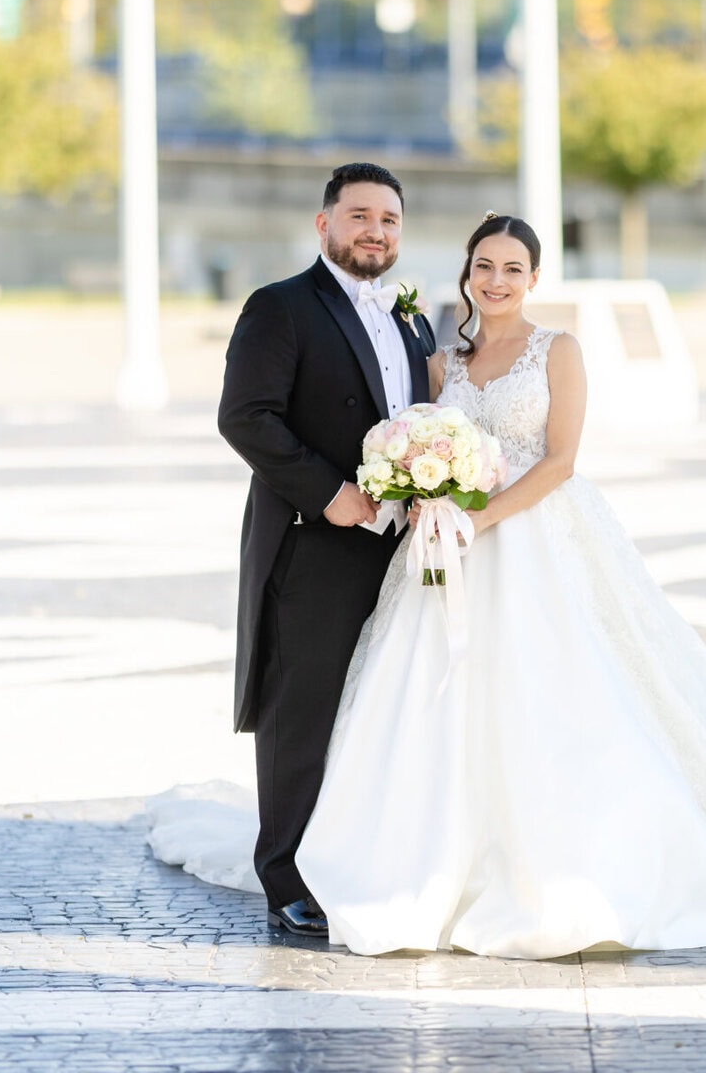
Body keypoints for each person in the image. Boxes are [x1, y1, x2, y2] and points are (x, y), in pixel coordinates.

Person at [159, 213, 706, 959]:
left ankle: (559, 866)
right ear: (464, 274)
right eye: (484, 267)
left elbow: (564, 462)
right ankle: (403, 859)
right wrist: (426, 498)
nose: (496, 280)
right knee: (426, 701)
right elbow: (414, 435)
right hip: (443, 552)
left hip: (533, 541)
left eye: (513, 269)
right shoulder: (440, 363)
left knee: (560, 698)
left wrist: (478, 518)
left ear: (533, 278)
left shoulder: (559, 352)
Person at [213, 162, 435, 938]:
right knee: (301, 710)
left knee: (379, 709)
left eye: (389, 221)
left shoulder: (414, 319)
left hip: (399, 551)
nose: (376, 231)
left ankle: (355, 859)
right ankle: (287, 876)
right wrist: (330, 493)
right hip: (316, 544)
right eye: (360, 216)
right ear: (324, 224)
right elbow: (246, 417)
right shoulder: (280, 308)